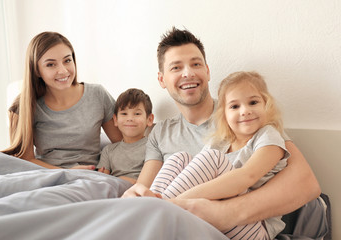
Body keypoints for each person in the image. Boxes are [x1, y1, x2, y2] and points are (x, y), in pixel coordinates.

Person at [122, 27, 321, 234]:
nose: (188, 73)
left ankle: (157, 214)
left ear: (207, 71)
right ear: (161, 79)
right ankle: (149, 218)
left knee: (212, 159)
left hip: (231, 222)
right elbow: (144, 188)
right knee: (177, 159)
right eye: (176, 67)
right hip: (176, 222)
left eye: (196, 64)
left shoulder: (243, 120)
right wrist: (132, 200)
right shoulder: (160, 132)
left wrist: (221, 211)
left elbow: (306, 183)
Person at [150, 71, 289, 239]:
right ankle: (148, 208)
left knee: (213, 158)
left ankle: (157, 213)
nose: (245, 111)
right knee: (180, 157)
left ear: (266, 104)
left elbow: (246, 177)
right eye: (235, 106)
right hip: (217, 217)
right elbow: (195, 171)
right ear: (224, 114)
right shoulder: (221, 142)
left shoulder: (268, 135)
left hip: (255, 228)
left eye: (253, 102)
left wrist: (173, 204)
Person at [2, 31, 122, 169]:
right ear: (36, 70)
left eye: (67, 60)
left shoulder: (97, 95)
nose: (63, 71)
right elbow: (26, 160)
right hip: (46, 177)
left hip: (90, 177)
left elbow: (124, 145)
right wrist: (67, 172)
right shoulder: (24, 106)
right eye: (50, 64)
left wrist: (105, 168)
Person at [97, 88, 154, 184]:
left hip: (140, 191)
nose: (130, 119)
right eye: (124, 113)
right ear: (115, 120)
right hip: (113, 190)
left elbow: (153, 181)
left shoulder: (153, 146)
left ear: (149, 119)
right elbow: (102, 181)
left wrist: (126, 181)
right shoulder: (108, 151)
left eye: (137, 114)